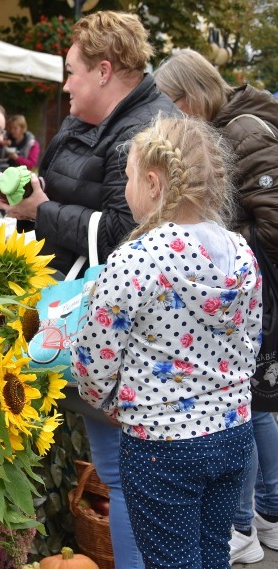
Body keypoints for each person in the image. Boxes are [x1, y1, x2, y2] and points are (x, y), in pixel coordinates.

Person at [0, 11, 179, 568]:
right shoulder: (91, 121)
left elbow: (130, 229)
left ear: (104, 71)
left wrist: (43, 210)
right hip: (84, 315)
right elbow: (82, 195)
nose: (66, 84)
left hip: (122, 327)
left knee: (126, 475)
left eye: (72, 72)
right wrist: (39, 199)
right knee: (117, 468)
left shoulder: (149, 129)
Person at [72, 116, 261, 569]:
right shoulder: (239, 250)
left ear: (154, 182)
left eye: (129, 177)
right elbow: (250, 341)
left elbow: (94, 363)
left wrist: (110, 405)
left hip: (162, 443)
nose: (125, 189)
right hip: (233, 432)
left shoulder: (136, 259)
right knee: (213, 553)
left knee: (170, 561)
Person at [154, 47, 278, 564]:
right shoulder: (231, 124)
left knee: (253, 403)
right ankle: (265, 515)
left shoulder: (243, 131)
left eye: (173, 104)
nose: (172, 117)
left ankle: (254, 520)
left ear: (192, 95)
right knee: (258, 402)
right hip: (252, 285)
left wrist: (210, 239)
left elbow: (272, 223)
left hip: (258, 287)